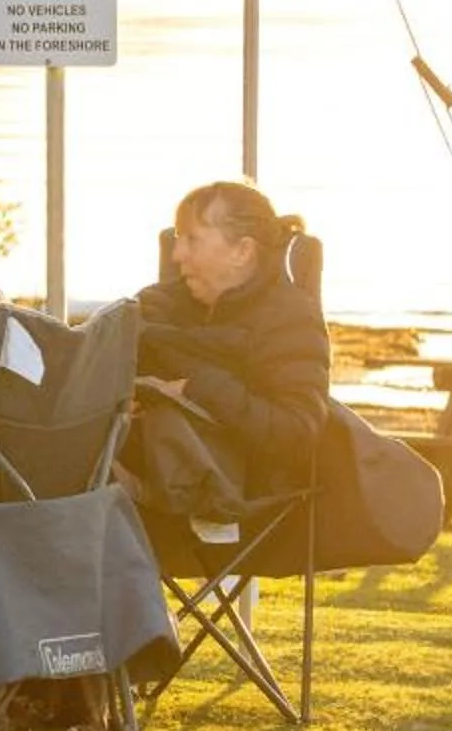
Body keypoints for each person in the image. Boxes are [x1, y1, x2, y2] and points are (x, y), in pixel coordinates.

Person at [134, 180, 330, 504]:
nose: (177, 254)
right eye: (178, 239)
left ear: (242, 251)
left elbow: (296, 434)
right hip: (142, 474)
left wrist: (193, 389)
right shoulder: (154, 308)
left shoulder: (289, 320)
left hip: (229, 499)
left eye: (192, 240)